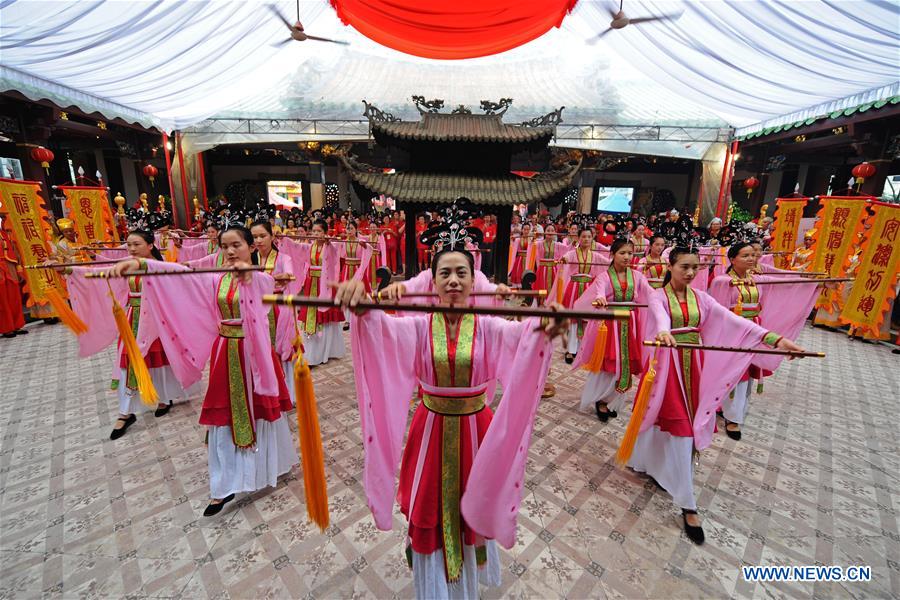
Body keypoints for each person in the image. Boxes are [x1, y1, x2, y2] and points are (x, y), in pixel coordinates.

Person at [334, 244, 567, 599]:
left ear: (475, 282)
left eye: (462, 273)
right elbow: (382, 333)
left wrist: (543, 325)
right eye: (445, 273)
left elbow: (521, 340)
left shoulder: (489, 327)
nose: (454, 280)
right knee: (431, 505)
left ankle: (466, 582)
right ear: (433, 280)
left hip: (477, 428)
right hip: (430, 429)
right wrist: (363, 308)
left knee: (474, 499)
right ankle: (435, 589)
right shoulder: (415, 326)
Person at [108, 225, 298, 516]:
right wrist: (143, 264)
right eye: (225, 246)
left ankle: (269, 467)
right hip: (225, 352)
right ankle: (224, 484)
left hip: (255, 354)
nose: (231, 251)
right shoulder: (215, 279)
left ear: (250, 247)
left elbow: (262, 289)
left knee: (262, 409)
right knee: (223, 417)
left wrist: (260, 278)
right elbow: (178, 278)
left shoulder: (261, 277)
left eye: (237, 245)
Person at [628, 247, 804, 543]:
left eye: (694, 267)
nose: (689, 272)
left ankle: (654, 467)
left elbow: (736, 322)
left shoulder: (702, 299)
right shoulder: (658, 296)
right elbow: (659, 317)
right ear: (670, 266)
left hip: (693, 367)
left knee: (677, 426)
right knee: (680, 430)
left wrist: (777, 340)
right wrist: (663, 331)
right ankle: (688, 504)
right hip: (667, 367)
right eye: (684, 266)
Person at [66, 230, 195, 439]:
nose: (132, 249)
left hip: (156, 320)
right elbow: (105, 270)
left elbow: (181, 278)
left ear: (151, 245)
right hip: (133, 318)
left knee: (158, 360)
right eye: (129, 245)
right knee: (129, 361)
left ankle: (163, 397)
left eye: (136, 244)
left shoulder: (160, 267)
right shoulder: (130, 264)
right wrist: (72, 271)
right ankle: (125, 412)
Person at [708, 242, 821, 439]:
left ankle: (733, 412)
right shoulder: (722, 281)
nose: (752, 259)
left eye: (753, 255)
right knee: (736, 373)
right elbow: (717, 312)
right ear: (732, 259)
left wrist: (813, 282)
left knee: (749, 373)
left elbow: (786, 282)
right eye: (745, 256)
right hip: (734, 333)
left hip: (756, 330)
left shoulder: (757, 280)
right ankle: (731, 415)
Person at [573, 238, 653, 421]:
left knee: (625, 363)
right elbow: (600, 291)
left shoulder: (638, 276)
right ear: (612, 254)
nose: (627, 257)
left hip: (630, 325)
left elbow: (650, 295)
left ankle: (614, 400)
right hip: (610, 325)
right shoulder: (604, 277)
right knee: (608, 364)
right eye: (622, 253)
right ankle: (601, 399)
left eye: (630, 253)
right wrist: (601, 298)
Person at [280, 219, 345, 366]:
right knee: (311, 314)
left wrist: (328, 243)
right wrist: (283, 238)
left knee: (324, 316)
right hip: (312, 285)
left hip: (325, 285)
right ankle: (312, 353)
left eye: (319, 231)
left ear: (325, 232)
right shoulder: (309, 247)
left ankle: (327, 351)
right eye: (314, 231)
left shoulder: (331, 246)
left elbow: (335, 257)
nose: (316, 234)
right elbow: (295, 247)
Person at [250, 220, 300, 397]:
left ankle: (287, 392)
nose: (259, 240)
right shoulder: (249, 259)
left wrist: (286, 276)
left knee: (281, 348)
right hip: (255, 308)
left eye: (263, 236)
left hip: (278, 308)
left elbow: (289, 273)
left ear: (272, 236)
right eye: (255, 237)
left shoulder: (283, 258)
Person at [551, 227, 608, 363]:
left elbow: (607, 263)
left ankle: (583, 349)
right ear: (578, 238)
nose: (586, 239)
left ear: (592, 238)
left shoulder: (595, 256)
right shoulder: (572, 253)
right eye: (583, 237)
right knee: (573, 320)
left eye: (589, 237)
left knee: (586, 320)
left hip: (588, 290)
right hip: (574, 288)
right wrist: (563, 260)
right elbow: (565, 258)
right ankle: (571, 350)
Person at [0, 228, 26, 338]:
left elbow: (14, 250)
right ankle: (7, 328)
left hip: (10, 265)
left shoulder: (5, 233)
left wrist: (18, 268)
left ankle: (17, 325)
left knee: (14, 297)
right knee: (2, 299)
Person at [533, 223, 567, 293]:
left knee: (553, 289)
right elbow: (531, 246)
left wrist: (575, 243)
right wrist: (532, 238)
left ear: (555, 232)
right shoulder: (538, 243)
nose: (550, 232)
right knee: (541, 287)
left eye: (552, 230)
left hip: (554, 270)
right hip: (541, 269)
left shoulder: (558, 245)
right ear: (544, 232)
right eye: (548, 230)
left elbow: (568, 249)